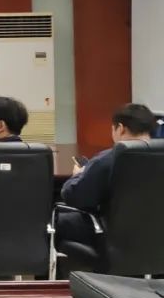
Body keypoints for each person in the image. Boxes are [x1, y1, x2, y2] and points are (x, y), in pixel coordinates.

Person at [56, 103, 156, 261]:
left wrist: (78, 175)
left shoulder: (109, 159)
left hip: (112, 238)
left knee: (54, 221)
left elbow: (74, 197)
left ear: (120, 128)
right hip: (155, 237)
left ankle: (57, 275)